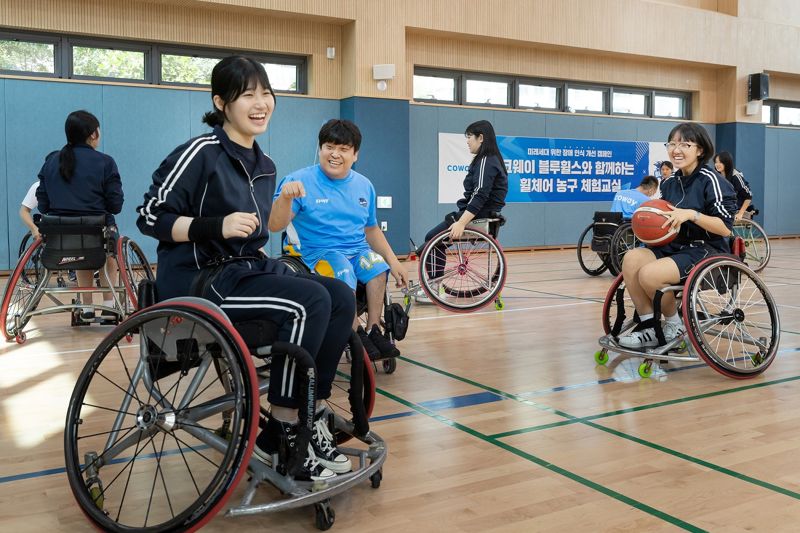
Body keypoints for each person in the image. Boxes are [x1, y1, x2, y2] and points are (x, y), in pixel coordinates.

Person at [136, 56, 354, 481]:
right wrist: (213, 226)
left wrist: (282, 207)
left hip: (245, 269)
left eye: (266, 93)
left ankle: (315, 411)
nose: (261, 103)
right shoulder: (201, 153)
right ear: (221, 102)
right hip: (200, 280)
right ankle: (285, 429)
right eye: (247, 94)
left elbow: (267, 229)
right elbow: (148, 216)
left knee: (341, 296)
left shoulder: (265, 164)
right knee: (307, 302)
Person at [268, 119, 409, 361]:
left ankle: (373, 329)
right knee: (343, 271)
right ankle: (353, 335)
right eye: (329, 147)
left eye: (343, 149)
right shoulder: (298, 181)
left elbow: (372, 229)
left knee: (377, 267)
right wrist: (285, 199)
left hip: (357, 250)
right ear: (320, 149)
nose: (335, 154)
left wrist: (394, 261)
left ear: (355, 154)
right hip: (316, 253)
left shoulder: (364, 185)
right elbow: (274, 225)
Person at [618, 123, 737, 349]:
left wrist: (692, 215)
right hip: (676, 246)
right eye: (672, 143)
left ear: (700, 150)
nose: (676, 149)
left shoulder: (711, 180)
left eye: (685, 144)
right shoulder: (670, 182)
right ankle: (650, 327)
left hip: (707, 250)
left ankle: (675, 325)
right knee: (632, 259)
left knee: (650, 275)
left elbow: (725, 228)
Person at [36, 110, 124, 320]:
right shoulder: (105, 162)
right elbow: (115, 205)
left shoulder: (51, 162)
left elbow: (43, 204)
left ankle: (86, 308)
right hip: (96, 230)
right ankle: (110, 306)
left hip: (59, 235)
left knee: (83, 245)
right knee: (106, 248)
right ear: (93, 134)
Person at [418, 120, 508, 289]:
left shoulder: (486, 161)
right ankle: (434, 283)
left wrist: (461, 222)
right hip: (482, 213)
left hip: (480, 215)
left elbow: (480, 195)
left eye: (469, 137)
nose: (467, 141)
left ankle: (434, 286)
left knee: (431, 240)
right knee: (432, 242)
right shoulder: (488, 160)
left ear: (480, 138)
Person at [714, 151, 754, 221]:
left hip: (734, 208)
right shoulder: (716, 175)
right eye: (716, 162)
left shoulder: (735, 176)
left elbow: (748, 196)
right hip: (722, 206)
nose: (717, 164)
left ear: (727, 163)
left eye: (720, 162)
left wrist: (740, 213)